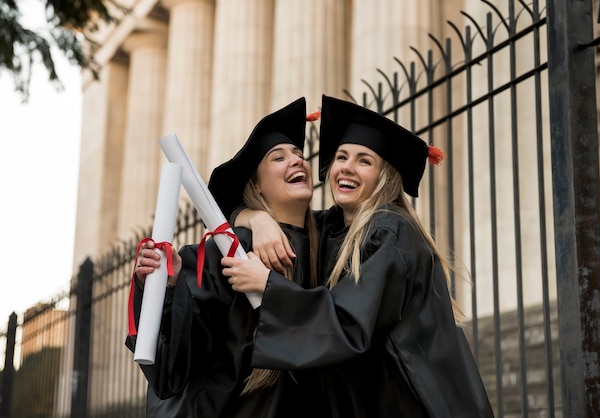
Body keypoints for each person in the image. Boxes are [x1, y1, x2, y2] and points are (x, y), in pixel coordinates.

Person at [223, 94, 494, 417]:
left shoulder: (390, 232)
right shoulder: (331, 230)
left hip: (411, 405)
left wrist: (268, 286)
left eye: (364, 161)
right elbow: (247, 208)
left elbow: (347, 324)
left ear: (384, 177)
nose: (347, 168)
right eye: (341, 157)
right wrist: (257, 219)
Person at [125, 97, 328, 417]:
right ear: (256, 187)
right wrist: (171, 286)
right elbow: (175, 363)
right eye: (278, 157)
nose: (296, 160)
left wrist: (249, 215)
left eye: (299, 155)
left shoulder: (328, 241)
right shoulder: (233, 250)